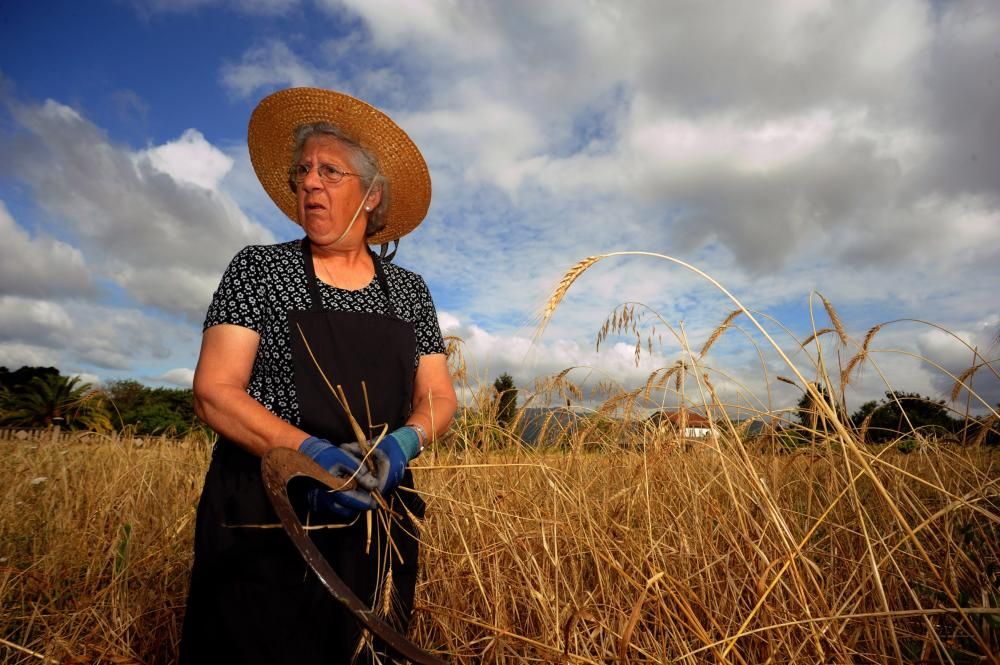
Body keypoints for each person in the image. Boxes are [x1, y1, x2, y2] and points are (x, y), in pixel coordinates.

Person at [179, 87, 457, 664]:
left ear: (371, 195)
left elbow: (437, 397)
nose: (310, 182)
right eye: (303, 171)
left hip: (372, 519)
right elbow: (214, 391)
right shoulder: (260, 269)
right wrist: (305, 454)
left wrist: (402, 447)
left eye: (330, 171)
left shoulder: (408, 293)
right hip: (263, 517)